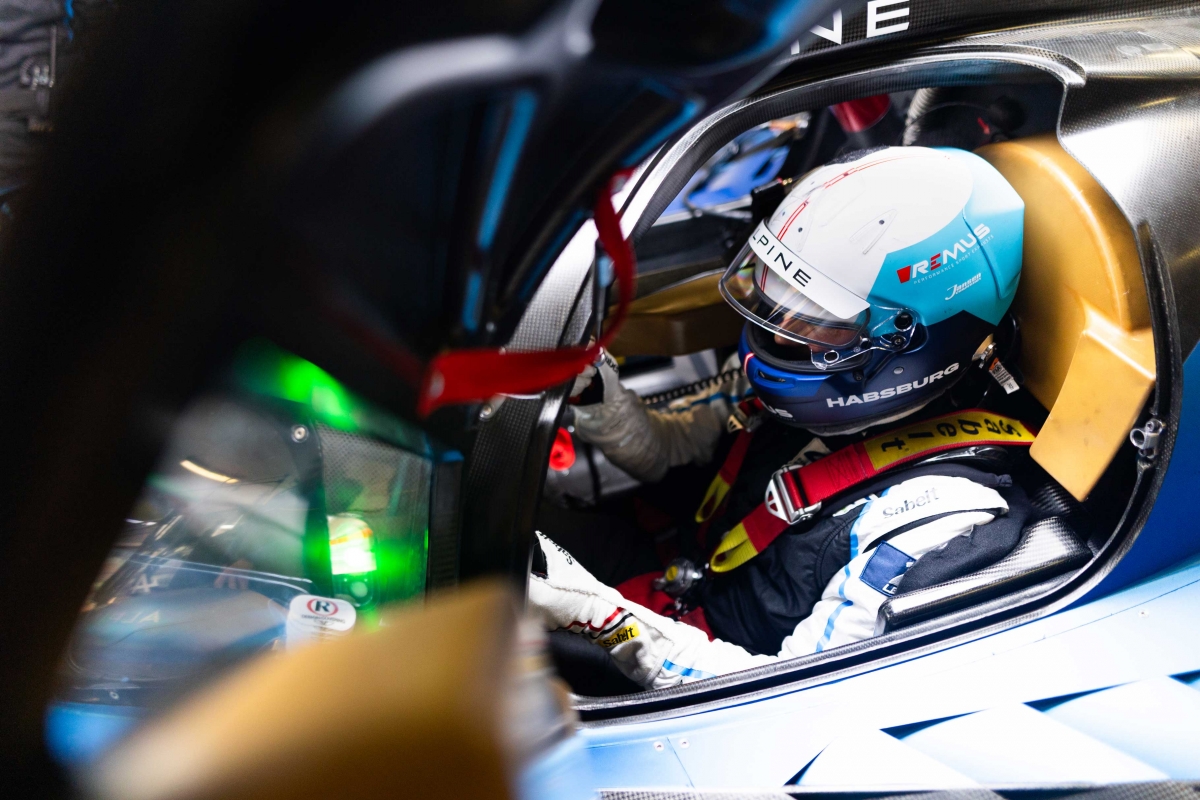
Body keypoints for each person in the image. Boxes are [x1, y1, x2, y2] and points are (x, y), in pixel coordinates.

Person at [529, 145, 1053, 690]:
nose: (778, 333)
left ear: (905, 342)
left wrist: (599, 619)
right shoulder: (787, 372)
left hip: (707, 678)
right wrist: (597, 395)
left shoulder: (938, 516)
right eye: (779, 294)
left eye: (815, 317)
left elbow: (787, 691)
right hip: (675, 574)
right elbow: (668, 452)